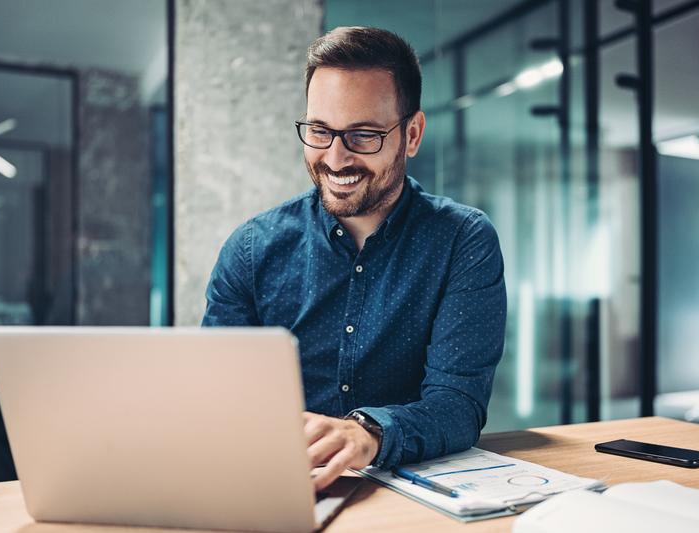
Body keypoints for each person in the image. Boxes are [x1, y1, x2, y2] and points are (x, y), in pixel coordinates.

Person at [202, 26, 507, 491]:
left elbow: (457, 405)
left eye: (363, 135)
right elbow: (216, 398)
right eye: (320, 131)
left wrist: (368, 433)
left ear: (412, 134)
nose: (336, 158)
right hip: (276, 489)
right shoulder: (250, 249)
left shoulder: (462, 240)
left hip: (405, 495)